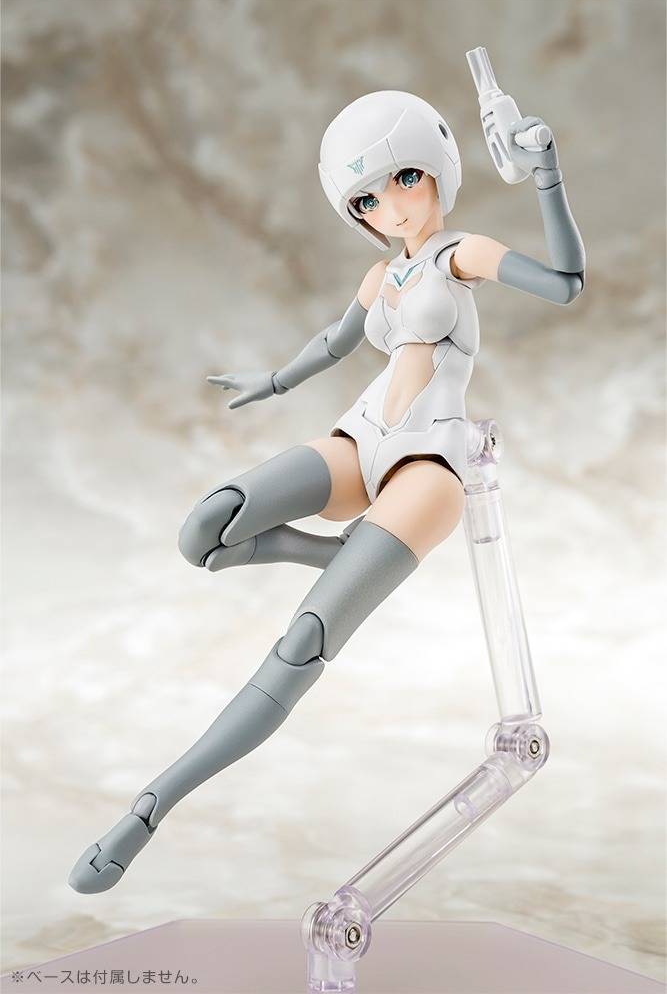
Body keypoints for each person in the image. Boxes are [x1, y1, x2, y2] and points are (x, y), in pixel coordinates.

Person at [69, 90, 584, 893]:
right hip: (361, 440)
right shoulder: (383, 273)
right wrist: (275, 380)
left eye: (405, 178)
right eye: (367, 198)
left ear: (438, 171)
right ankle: (324, 553)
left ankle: (151, 806)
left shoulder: (462, 254)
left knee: (303, 641)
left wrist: (545, 169)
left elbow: (564, 284)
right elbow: (336, 340)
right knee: (207, 529)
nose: (392, 206)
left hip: (428, 465)